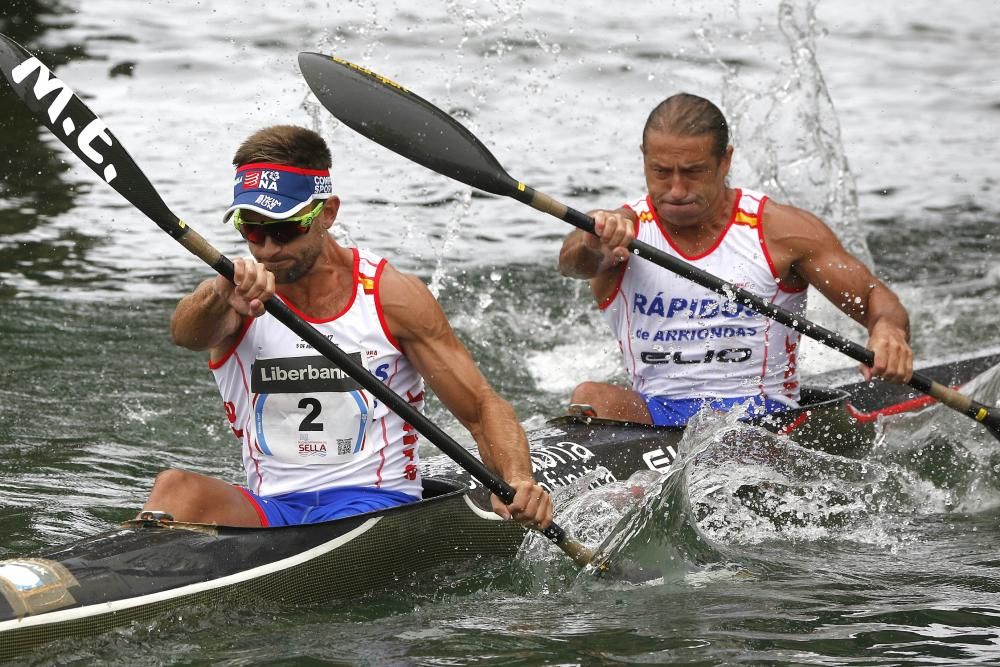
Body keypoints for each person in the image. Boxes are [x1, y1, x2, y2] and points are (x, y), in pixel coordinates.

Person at [141, 124, 552, 530]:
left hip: (375, 506)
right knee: (174, 488)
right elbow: (185, 334)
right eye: (253, 229)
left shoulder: (391, 297)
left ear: (328, 213)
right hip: (273, 508)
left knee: (346, 520)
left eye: (285, 230)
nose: (268, 249)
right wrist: (217, 294)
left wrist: (518, 479)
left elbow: (482, 407)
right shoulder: (234, 297)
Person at [558, 93, 913, 426]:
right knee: (591, 396)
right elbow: (573, 262)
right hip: (657, 414)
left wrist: (888, 332)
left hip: (762, 417)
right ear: (644, 158)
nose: (676, 190)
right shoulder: (621, 230)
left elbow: (873, 298)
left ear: (725, 160)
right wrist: (590, 239)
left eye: (693, 171)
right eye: (661, 171)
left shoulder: (779, 231)